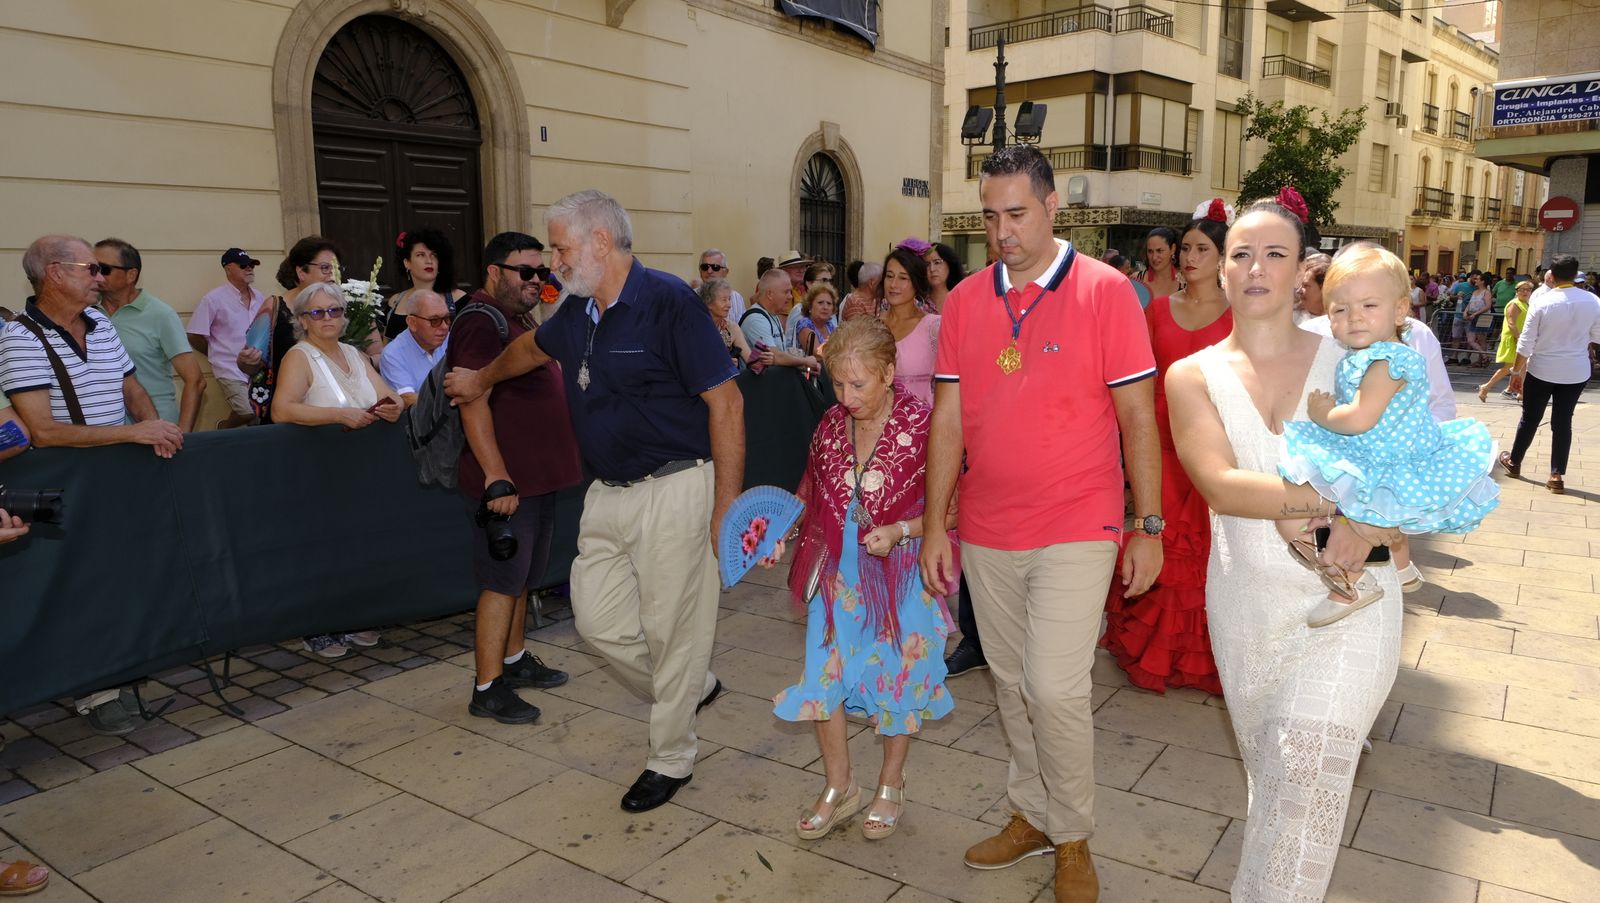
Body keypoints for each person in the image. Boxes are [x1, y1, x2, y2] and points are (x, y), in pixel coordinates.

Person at [444, 189, 745, 813]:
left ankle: (671, 757)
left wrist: (726, 507)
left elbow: (727, 403)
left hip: (677, 486)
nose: (553, 261)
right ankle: (690, 686)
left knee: (672, 630)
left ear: (601, 242)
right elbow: (531, 349)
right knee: (599, 623)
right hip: (606, 493)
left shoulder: (669, 304)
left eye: (560, 247)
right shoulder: (577, 310)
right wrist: (481, 377)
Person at [920, 146, 1161, 902]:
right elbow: (949, 419)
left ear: (1053, 207)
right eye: (990, 216)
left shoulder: (1106, 291)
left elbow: (1137, 416)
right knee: (1011, 682)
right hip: (988, 526)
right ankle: (1031, 811)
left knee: (1056, 688)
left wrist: (1147, 522)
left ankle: (1074, 835)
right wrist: (935, 524)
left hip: (1078, 521)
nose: (1002, 231)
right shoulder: (963, 301)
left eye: (1016, 213)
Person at [1165, 199, 1405, 902]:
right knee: (1277, 784)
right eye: (1241, 253)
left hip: (1356, 602)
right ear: (1219, 269)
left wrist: (1378, 518)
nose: (1255, 267)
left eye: (1275, 254)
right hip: (1248, 606)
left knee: (1308, 758)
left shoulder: (1358, 359)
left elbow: (1412, 466)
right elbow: (1220, 483)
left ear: (1305, 270)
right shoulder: (1192, 375)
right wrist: (1330, 504)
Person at [769, 316, 955, 841]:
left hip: (900, 579)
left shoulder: (926, 424)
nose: (846, 396)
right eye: (838, 383)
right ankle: (839, 787)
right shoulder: (829, 422)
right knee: (824, 676)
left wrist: (900, 529)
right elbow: (809, 488)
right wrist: (780, 534)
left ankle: (890, 786)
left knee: (898, 678)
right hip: (836, 575)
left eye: (858, 384)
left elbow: (957, 509)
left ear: (890, 372)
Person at [0, 235, 184, 735]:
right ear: (55, 273)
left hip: (116, 476)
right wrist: (134, 431)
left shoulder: (101, 322)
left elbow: (131, 385)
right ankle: (94, 691)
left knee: (115, 578)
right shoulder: (20, 337)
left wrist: (155, 430)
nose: (100, 278)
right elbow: (42, 429)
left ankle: (115, 672)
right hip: (63, 481)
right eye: (90, 268)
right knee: (75, 585)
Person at [1277, 244, 1498, 626]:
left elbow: (1361, 416)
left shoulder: (1387, 359)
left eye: (1368, 306)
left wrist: (1322, 413)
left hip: (1387, 455)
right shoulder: (1374, 353)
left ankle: (1352, 582)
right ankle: (1399, 569)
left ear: (1399, 310)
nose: (1354, 318)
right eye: (1340, 310)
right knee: (1361, 511)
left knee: (1345, 504)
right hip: (1384, 449)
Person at [1100, 199, 1233, 696]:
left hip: (1210, 445)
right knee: (1157, 536)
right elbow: (1137, 380)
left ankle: (1201, 656)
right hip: (1157, 442)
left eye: (1203, 249)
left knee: (1203, 549)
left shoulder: (1240, 314)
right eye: (1186, 248)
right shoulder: (1156, 309)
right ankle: (1151, 648)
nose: (1190, 256)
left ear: (1223, 257)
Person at [451, 232, 581, 723]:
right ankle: (487, 687)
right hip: (506, 483)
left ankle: (514, 658)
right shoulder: (479, 319)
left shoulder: (519, 316)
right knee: (501, 580)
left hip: (537, 476)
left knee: (524, 575)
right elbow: (470, 397)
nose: (535, 281)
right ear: (493, 271)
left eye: (541, 272)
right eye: (524, 271)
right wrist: (496, 476)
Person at [270, 280, 402, 658]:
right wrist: (337, 414)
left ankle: (358, 615)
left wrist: (393, 407)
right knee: (322, 548)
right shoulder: (299, 357)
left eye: (335, 310)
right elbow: (283, 409)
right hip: (318, 467)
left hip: (360, 469)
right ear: (302, 320)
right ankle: (318, 625)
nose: (328, 317)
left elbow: (387, 394)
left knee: (359, 544)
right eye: (318, 312)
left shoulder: (355, 353)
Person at [1504, 254, 1600, 495]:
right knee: (1563, 421)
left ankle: (1515, 462)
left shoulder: (1543, 301)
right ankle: (1556, 474)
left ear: (1552, 276)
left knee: (1531, 417)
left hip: (1542, 368)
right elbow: (1597, 337)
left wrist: (1516, 370)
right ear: (1576, 275)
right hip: (1576, 370)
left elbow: (1526, 342)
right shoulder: (1593, 301)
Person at [93, 238, 205, 432]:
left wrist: (184, 436)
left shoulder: (160, 315)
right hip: (104, 430)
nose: (96, 276)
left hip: (156, 429)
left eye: (103, 269)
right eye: (91, 268)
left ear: (131, 275)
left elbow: (195, 380)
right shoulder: (85, 313)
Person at [240, 236, 342, 424]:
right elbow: (250, 363)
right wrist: (248, 360)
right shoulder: (274, 307)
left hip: (338, 410)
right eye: (325, 268)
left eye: (335, 268)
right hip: (289, 417)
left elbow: (374, 352)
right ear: (301, 272)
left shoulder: (342, 307)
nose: (332, 275)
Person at [188, 248, 267, 428]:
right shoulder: (213, 299)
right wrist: (216, 353)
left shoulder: (260, 297)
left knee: (259, 415)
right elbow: (194, 334)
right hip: (229, 368)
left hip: (257, 367)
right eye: (244, 265)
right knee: (247, 411)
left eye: (252, 265)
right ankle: (224, 427)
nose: (250, 269)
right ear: (228, 268)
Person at [879, 248, 939, 406]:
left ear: (916, 283)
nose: (893, 284)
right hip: (875, 424)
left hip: (921, 423)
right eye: (889, 276)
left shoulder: (934, 327)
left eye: (903, 278)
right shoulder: (872, 326)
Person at [386, 228, 469, 338]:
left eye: (434, 255)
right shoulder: (395, 302)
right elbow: (386, 347)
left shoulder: (460, 299)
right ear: (407, 263)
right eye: (420, 255)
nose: (429, 260)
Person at [379, 289, 451, 407]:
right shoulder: (393, 354)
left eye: (447, 318)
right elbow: (408, 399)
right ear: (412, 323)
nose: (444, 326)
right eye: (435, 320)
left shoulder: (451, 339)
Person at [741, 269, 821, 374]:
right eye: (786, 292)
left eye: (790, 292)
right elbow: (775, 356)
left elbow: (779, 359)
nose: (790, 296)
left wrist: (804, 367)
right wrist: (805, 361)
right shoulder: (756, 319)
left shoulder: (772, 315)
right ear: (770, 294)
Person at [1480, 279, 1532, 401]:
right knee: (1510, 366)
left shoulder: (1525, 304)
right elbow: (1511, 323)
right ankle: (1486, 387)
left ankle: (1523, 393)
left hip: (1520, 338)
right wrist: (1519, 338)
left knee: (1522, 366)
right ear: (1516, 291)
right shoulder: (1514, 304)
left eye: (1528, 289)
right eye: (1522, 290)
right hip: (1513, 338)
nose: (1525, 292)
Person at [700, 279, 753, 367]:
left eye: (729, 299)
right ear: (708, 302)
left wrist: (765, 359)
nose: (729, 304)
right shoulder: (697, 328)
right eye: (724, 300)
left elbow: (752, 361)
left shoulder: (731, 327)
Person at [696, 249, 745, 322]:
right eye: (705, 267)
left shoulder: (737, 298)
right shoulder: (691, 296)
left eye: (715, 267)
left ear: (726, 272)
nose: (709, 271)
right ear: (700, 271)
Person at [795, 282, 838, 357]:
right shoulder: (805, 324)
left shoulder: (830, 325)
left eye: (829, 303)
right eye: (820, 303)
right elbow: (817, 352)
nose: (825, 307)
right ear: (810, 306)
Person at [1139, 227, 1181, 300]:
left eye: (1160, 251)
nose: (1154, 257)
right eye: (1150, 251)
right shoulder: (1137, 280)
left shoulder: (1186, 282)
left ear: (1172, 249)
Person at [925, 242, 966, 313]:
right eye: (927, 264)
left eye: (937, 262)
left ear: (950, 265)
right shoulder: (919, 303)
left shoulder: (961, 299)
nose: (932, 269)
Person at [1462, 272, 1494, 365]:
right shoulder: (1475, 292)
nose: (1475, 281)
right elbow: (1470, 303)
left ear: (1482, 281)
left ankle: (1481, 361)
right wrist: (1465, 312)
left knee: (1481, 339)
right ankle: (1485, 356)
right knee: (1471, 340)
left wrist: (1476, 313)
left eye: (1478, 279)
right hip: (1473, 316)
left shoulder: (1486, 292)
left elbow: (1488, 306)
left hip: (1483, 317)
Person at [1292, 252, 1331, 323]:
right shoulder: (1289, 318)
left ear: (1324, 289)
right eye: (1300, 285)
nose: (1299, 291)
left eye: (1306, 286)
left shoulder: (1336, 323)